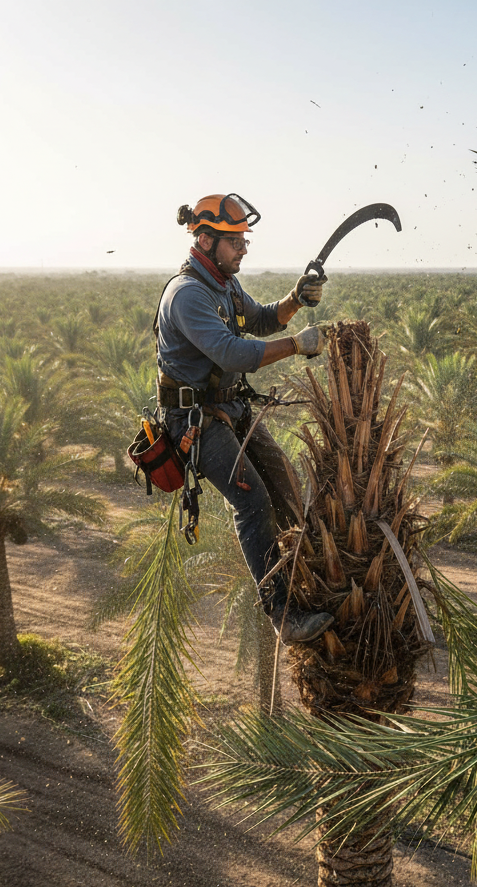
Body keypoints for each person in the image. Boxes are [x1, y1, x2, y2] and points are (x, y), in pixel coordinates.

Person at [155, 193, 333, 644]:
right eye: (235, 241)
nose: (243, 249)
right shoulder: (188, 294)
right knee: (253, 503)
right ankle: (282, 614)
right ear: (206, 240)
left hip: (230, 409)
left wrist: (296, 299)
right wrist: (297, 345)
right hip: (194, 421)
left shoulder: (225, 285)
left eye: (244, 241)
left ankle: (310, 578)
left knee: (287, 485)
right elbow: (233, 353)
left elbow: (262, 320)